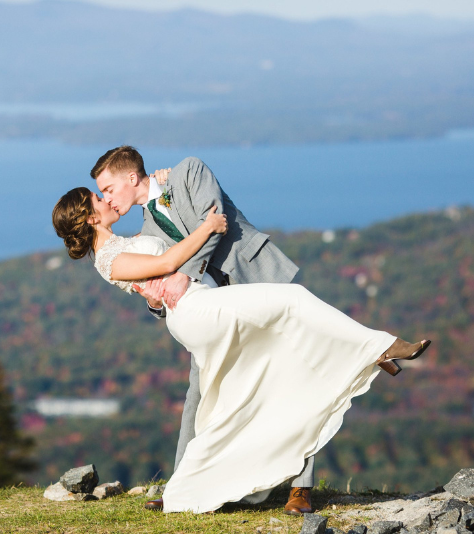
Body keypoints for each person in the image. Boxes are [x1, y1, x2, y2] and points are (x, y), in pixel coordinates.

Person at [51, 184, 431, 514]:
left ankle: (197, 487)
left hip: (198, 307)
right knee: (293, 300)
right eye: (97, 199)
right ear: (88, 218)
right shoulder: (108, 258)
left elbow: (156, 263)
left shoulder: (118, 244)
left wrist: (162, 190)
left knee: (254, 376)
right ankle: (382, 346)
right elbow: (167, 261)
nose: (105, 199)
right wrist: (209, 226)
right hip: (196, 310)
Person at [92, 146, 313, 514]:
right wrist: (155, 299)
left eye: (109, 189)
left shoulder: (187, 171)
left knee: (289, 379)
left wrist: (182, 275)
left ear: (132, 178)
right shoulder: (145, 232)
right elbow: (160, 278)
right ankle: (183, 485)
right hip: (210, 313)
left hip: (254, 281)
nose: (108, 199)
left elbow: (214, 224)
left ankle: (301, 488)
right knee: (197, 395)